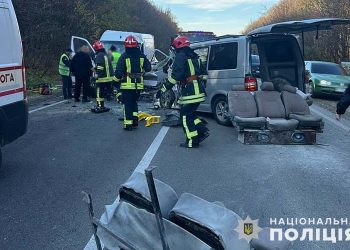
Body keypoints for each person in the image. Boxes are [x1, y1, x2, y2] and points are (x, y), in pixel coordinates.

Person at [160, 36, 209, 148]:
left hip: (190, 93)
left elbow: (176, 76)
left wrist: (163, 89)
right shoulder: (195, 56)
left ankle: (192, 141)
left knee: (185, 117)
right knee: (190, 114)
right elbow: (204, 73)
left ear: (177, 46)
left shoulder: (180, 56)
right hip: (199, 91)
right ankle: (202, 131)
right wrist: (201, 83)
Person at [114, 35, 152, 131]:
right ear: (136, 45)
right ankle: (135, 122)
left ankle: (128, 125)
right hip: (138, 85)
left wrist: (114, 82)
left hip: (127, 85)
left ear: (125, 46)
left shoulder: (124, 56)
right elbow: (148, 68)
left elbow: (118, 72)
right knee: (134, 103)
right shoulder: (141, 56)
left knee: (128, 105)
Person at [91, 41, 113, 113]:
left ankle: (100, 106)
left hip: (101, 78)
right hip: (108, 78)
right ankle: (102, 105)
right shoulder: (105, 55)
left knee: (99, 93)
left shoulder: (99, 55)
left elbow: (100, 67)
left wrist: (96, 76)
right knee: (104, 92)